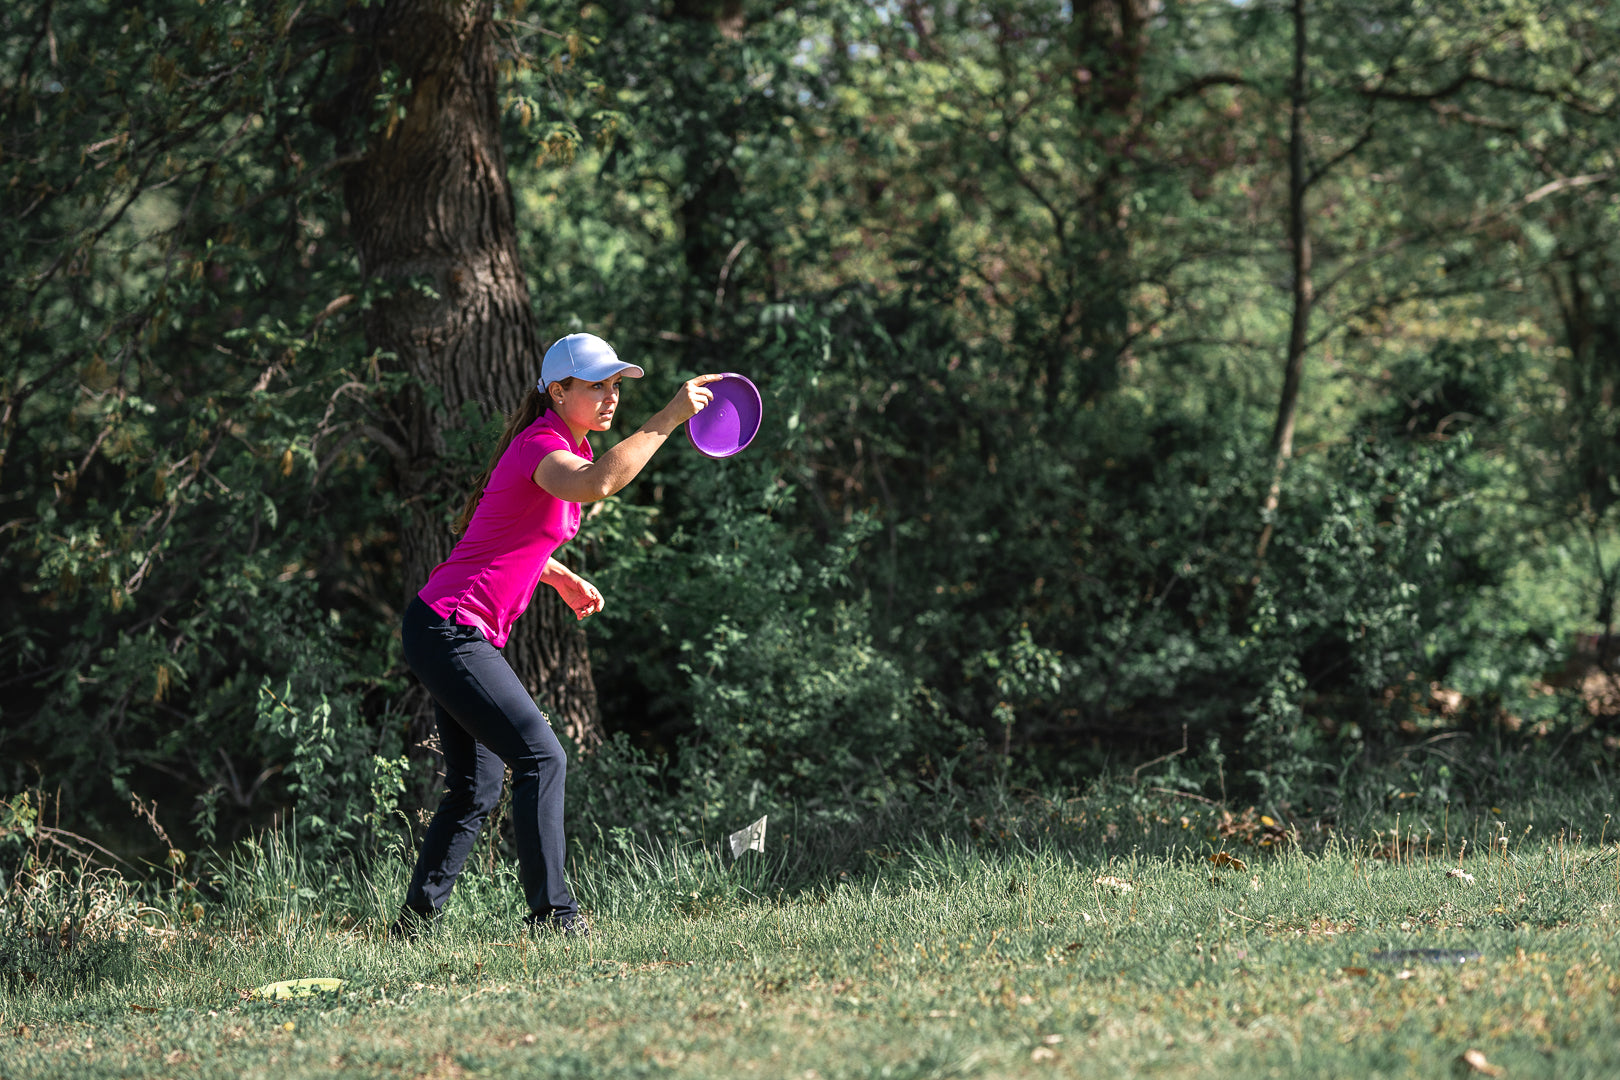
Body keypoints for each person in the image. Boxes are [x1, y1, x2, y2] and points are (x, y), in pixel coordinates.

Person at [391, 333, 718, 939]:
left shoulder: (558, 443)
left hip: (450, 627)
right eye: (597, 385)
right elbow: (596, 484)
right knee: (542, 756)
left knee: (477, 784)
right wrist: (670, 416)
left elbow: (504, 530)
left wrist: (558, 574)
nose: (611, 396)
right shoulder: (542, 445)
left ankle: (412, 927)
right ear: (558, 390)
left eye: (616, 385)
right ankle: (554, 918)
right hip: (449, 628)